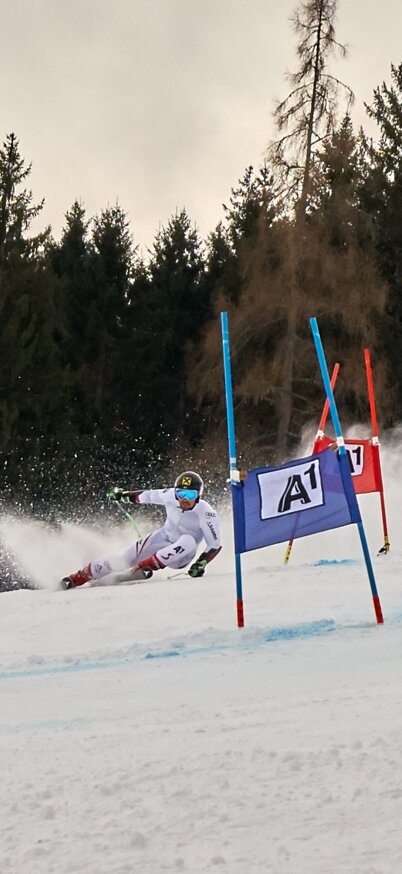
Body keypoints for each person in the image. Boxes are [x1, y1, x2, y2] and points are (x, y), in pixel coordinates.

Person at [60, 470, 222, 589]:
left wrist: (200, 564)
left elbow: (215, 545)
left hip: (182, 555)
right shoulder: (169, 495)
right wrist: (123, 495)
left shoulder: (206, 513)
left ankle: (142, 567)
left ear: (198, 495)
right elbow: (146, 496)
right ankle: (79, 577)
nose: (184, 499)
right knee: (123, 558)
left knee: (188, 540)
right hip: (163, 539)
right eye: (180, 493)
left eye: (190, 495)